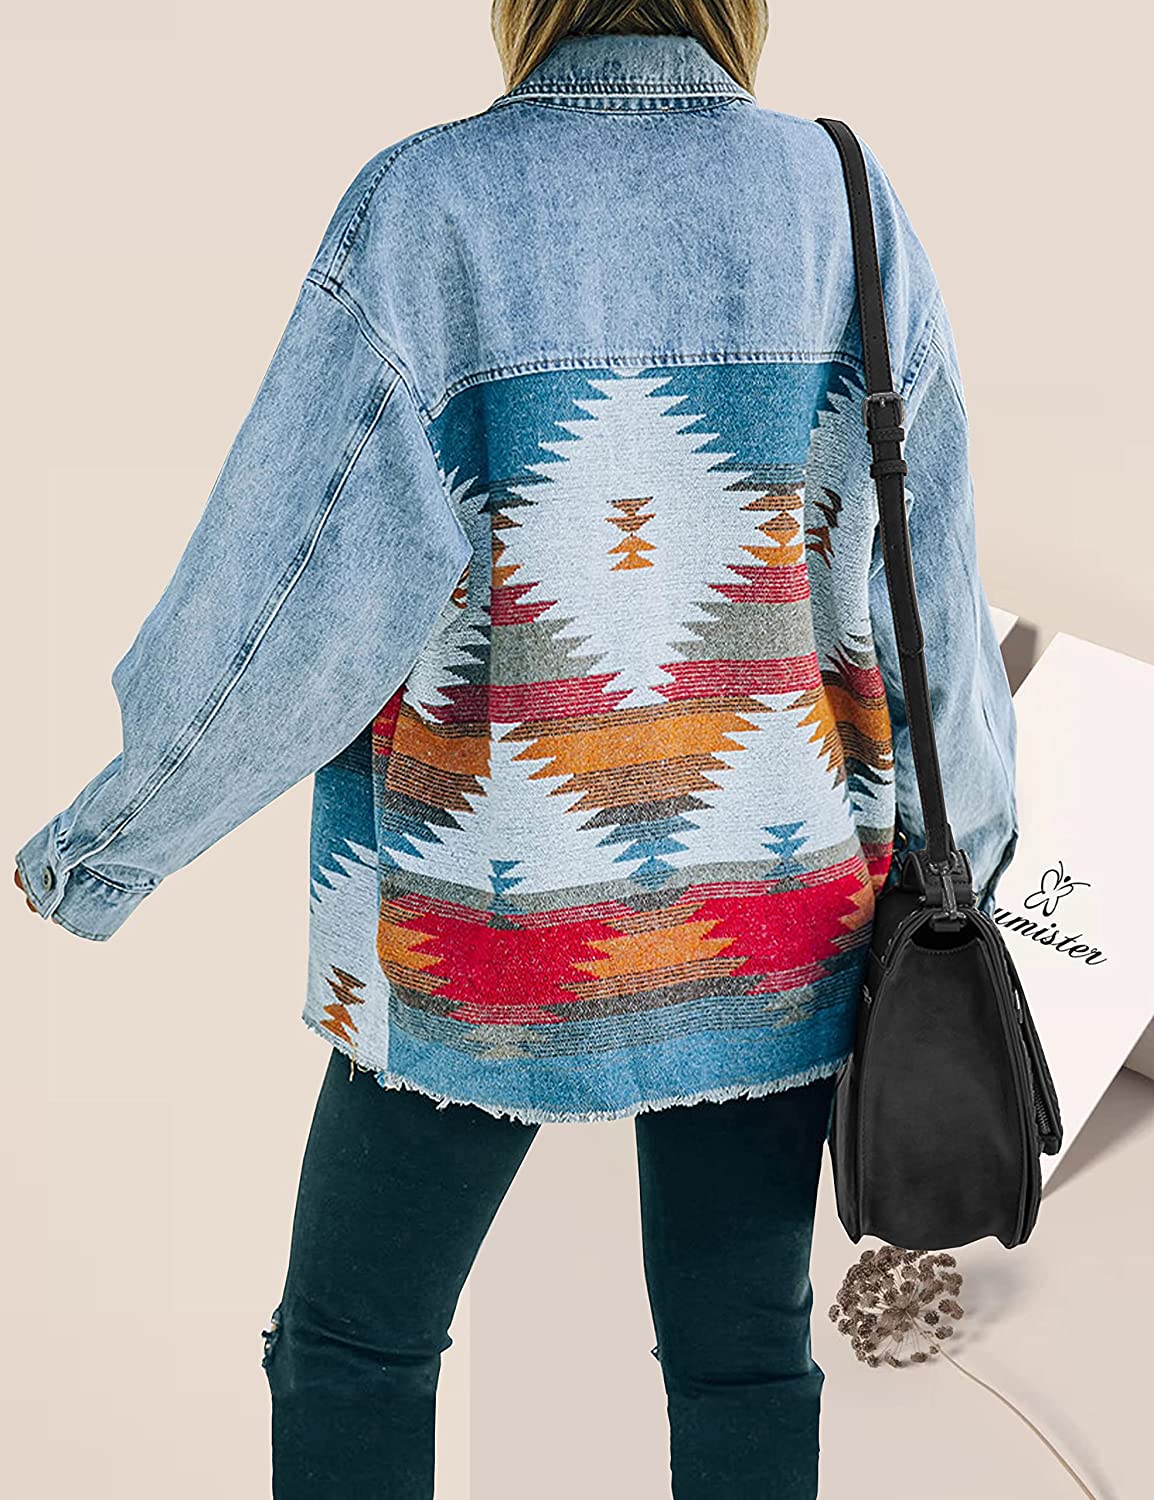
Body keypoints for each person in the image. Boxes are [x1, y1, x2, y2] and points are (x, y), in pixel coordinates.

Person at [13, 2, 1019, 1495]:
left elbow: (298, 597)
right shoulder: (846, 199)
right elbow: (926, 590)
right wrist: (965, 872)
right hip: (777, 915)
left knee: (353, 1345)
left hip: (484, 924)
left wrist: (112, 838)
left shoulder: (431, 204)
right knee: (745, 1361)